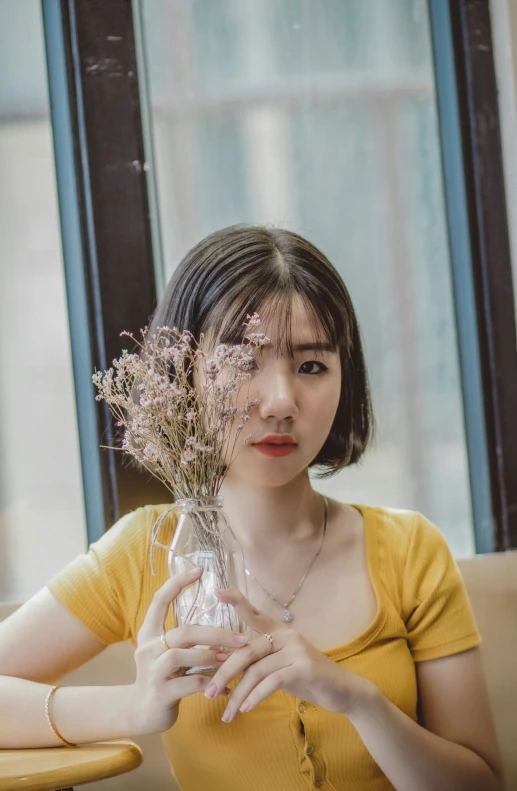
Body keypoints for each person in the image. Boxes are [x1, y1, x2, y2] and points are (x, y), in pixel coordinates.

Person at [0, 225, 504, 791]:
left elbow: (483, 782)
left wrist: (359, 700)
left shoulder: (410, 551)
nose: (282, 401)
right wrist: (131, 708)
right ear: (182, 376)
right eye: (242, 363)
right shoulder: (146, 550)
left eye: (312, 366)